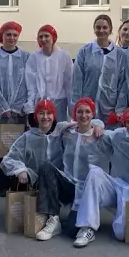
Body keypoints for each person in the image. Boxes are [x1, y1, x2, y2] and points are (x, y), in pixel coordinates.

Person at [75, 105, 129, 247]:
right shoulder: (117, 136)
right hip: (117, 188)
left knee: (121, 234)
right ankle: (87, 227)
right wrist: (96, 124)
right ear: (124, 123)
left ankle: (123, 215)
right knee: (95, 173)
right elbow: (96, 131)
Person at [33, 97, 104, 242]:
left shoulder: (99, 136)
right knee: (46, 167)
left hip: (86, 190)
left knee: (72, 230)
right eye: (79, 112)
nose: (83, 115)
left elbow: (104, 127)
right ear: (74, 114)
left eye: (87, 112)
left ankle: (80, 220)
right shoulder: (66, 131)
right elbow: (51, 127)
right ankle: (54, 219)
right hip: (68, 184)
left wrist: (98, 124)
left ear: (93, 114)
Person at [0, 21, 31, 197]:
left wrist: (18, 107)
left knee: (16, 145)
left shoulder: (26, 57)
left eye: (14, 35)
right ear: (1, 36)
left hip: (19, 112)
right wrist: (3, 108)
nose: (11, 38)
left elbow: (27, 83)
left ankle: (16, 182)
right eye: (8, 35)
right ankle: (1, 185)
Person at [71, 14, 129, 128]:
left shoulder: (120, 55)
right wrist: (76, 105)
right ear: (94, 29)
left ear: (110, 30)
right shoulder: (84, 51)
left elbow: (123, 84)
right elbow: (77, 81)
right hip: (86, 108)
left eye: (105, 27)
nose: (101, 30)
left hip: (110, 109)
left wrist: (119, 110)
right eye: (98, 27)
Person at [25, 24, 73, 125]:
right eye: (40, 37)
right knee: (42, 134)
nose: (43, 39)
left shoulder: (64, 56)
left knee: (59, 131)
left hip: (60, 102)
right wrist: (31, 109)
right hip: (40, 103)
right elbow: (31, 85)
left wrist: (71, 106)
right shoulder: (34, 57)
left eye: (46, 36)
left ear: (53, 37)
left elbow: (69, 83)